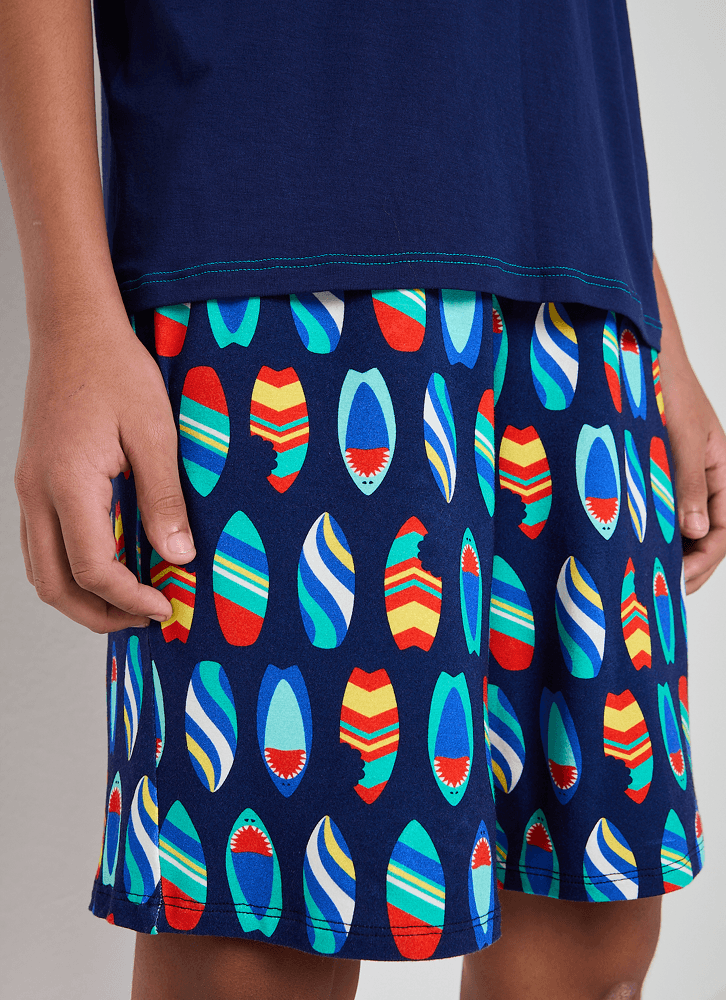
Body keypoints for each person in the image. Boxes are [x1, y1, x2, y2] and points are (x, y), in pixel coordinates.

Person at [2, 1, 724, 998]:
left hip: (582, 276)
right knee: (259, 933)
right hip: (276, 253)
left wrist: (654, 316)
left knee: (591, 928)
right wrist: (69, 316)